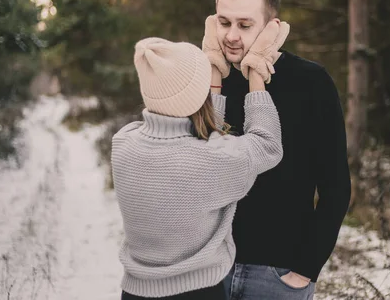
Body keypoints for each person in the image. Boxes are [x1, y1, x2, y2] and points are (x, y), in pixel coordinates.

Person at [202, 0, 352, 299]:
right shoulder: (199, 79)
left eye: (244, 25)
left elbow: (336, 186)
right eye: (224, 22)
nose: (231, 35)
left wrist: (305, 270)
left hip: (277, 274)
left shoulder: (310, 82)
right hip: (206, 272)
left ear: (272, 27)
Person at [111, 34, 287, 299]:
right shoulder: (213, 159)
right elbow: (267, 145)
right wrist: (257, 77)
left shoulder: (124, 142)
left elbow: (190, 138)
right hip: (197, 292)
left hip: (134, 292)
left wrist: (209, 81)